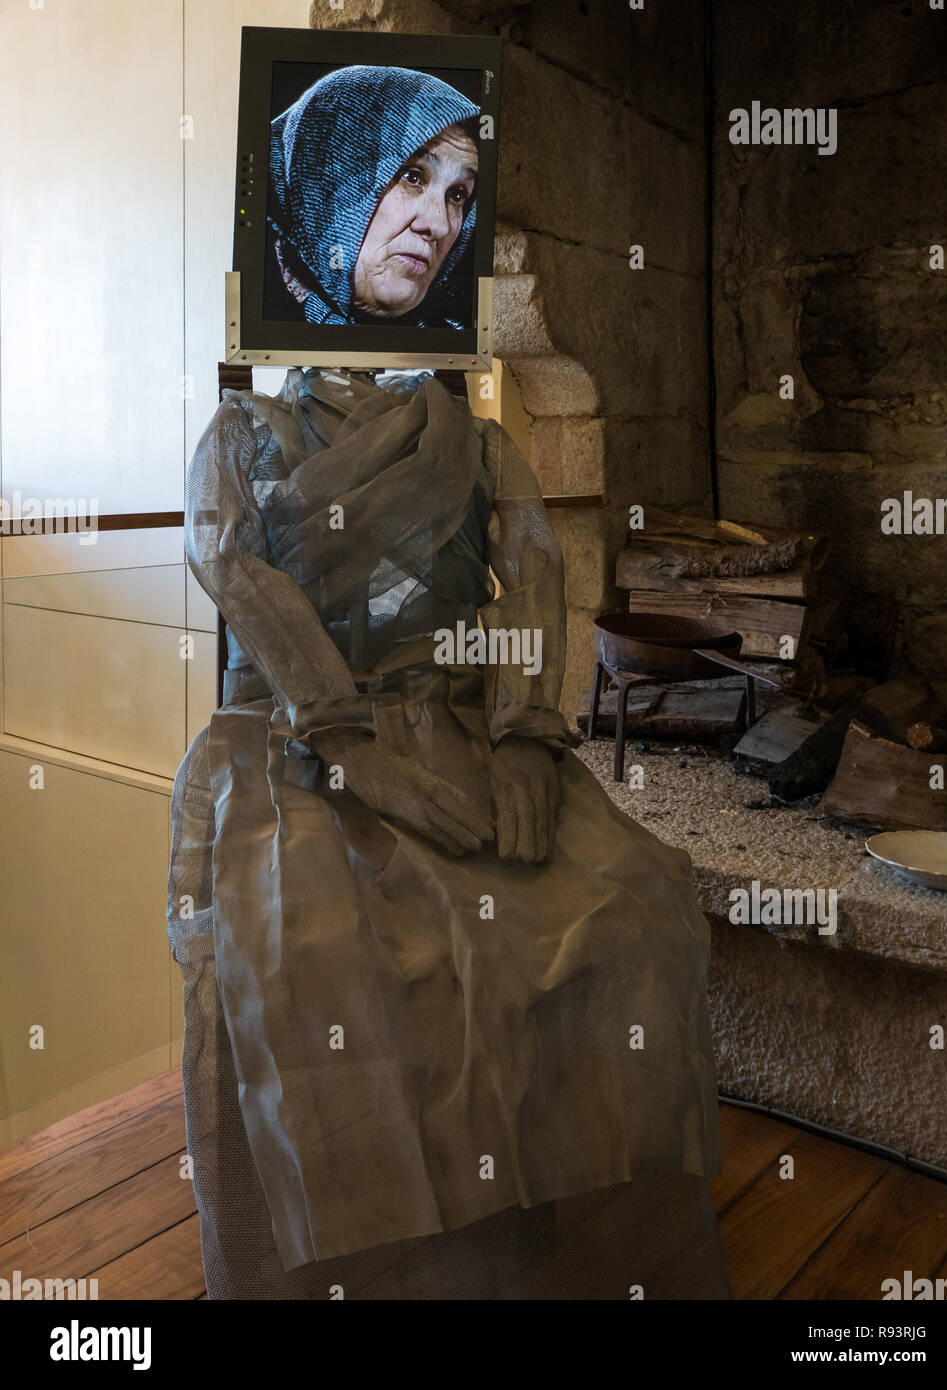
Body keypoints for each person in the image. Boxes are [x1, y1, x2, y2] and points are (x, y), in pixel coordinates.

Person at [168, 368, 730, 1299]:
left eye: (453, 207)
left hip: (465, 720)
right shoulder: (242, 434)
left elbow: (537, 564)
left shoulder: (473, 439)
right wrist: (346, 739)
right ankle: (347, 1258)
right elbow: (227, 560)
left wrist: (522, 731)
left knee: (641, 907)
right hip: (296, 737)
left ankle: (527, 1220)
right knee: (304, 949)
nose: (429, 225)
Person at [267, 66, 479, 328]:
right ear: (327, 175)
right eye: (412, 177)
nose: (440, 226)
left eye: (457, 195)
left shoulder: (453, 346)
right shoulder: (255, 319)